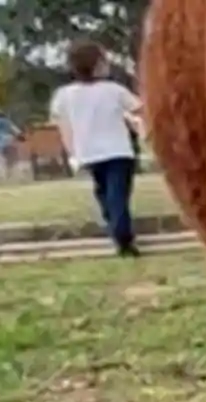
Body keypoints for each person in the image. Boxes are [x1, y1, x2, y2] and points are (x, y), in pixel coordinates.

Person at [49, 40, 143, 257]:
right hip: (119, 152)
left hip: (89, 153)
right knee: (118, 194)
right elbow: (140, 109)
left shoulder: (64, 95)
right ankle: (123, 236)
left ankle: (117, 229)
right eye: (105, 60)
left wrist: (72, 152)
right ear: (98, 65)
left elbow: (64, 126)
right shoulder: (114, 90)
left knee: (103, 192)